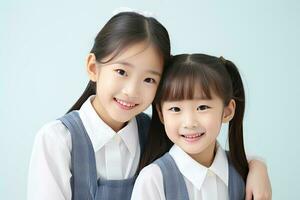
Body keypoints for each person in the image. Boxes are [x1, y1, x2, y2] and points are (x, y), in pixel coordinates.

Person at [27, 11, 271, 200]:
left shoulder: (158, 131)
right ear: (93, 67)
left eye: (149, 79)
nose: (132, 90)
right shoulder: (59, 139)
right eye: (121, 71)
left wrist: (257, 167)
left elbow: (208, 156)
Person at [132, 54, 271, 200]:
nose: (189, 123)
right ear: (161, 114)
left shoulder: (245, 173)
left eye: (202, 107)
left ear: (227, 111)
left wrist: (258, 166)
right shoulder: (153, 179)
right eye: (175, 109)